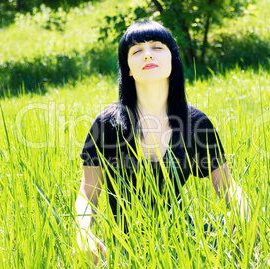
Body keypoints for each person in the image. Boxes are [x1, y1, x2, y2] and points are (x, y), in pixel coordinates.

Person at [74, 20, 249, 264]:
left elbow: (227, 188)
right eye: (136, 51)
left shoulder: (195, 124)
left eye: (157, 47)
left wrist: (242, 212)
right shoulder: (107, 125)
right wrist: (83, 232)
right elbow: (88, 193)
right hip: (127, 246)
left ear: (172, 60)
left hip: (185, 239)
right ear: (129, 69)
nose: (147, 55)